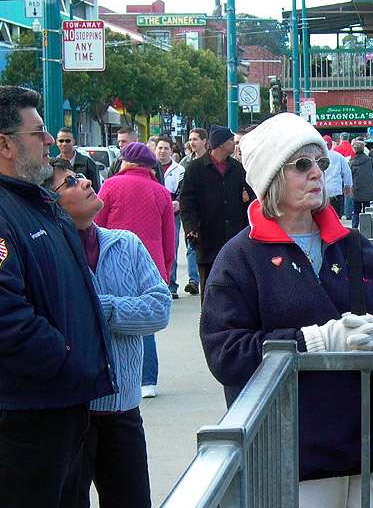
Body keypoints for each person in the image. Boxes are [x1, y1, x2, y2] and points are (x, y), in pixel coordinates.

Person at [200, 112, 373, 508]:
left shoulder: (355, 245)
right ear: (270, 179)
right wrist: (314, 342)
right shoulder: (239, 258)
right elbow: (225, 352)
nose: (318, 172)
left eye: (319, 161)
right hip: (296, 452)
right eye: (301, 164)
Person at [0, 85, 115, 508]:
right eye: (38, 133)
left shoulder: (41, 205)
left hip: (65, 406)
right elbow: (7, 320)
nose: (49, 141)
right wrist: (66, 358)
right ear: (5, 144)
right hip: (27, 414)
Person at [45, 160, 171, 508]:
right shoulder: (47, 252)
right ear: (52, 202)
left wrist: (98, 308)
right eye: (69, 182)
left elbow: (158, 310)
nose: (85, 182)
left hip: (123, 410)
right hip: (72, 413)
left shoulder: (126, 244)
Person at [95, 141, 175, 399]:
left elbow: (96, 224)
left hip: (113, 261)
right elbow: (169, 237)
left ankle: (115, 375)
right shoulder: (161, 192)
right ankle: (147, 380)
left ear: (125, 162)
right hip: (150, 262)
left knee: (113, 316)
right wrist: (165, 270)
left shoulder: (110, 186)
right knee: (145, 323)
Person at [180, 124, 254, 298]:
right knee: (209, 289)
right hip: (208, 239)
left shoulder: (237, 169)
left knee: (237, 288)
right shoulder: (195, 169)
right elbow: (187, 202)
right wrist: (191, 229)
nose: (234, 145)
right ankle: (209, 322)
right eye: (230, 141)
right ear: (220, 144)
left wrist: (247, 198)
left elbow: (250, 199)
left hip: (235, 239)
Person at [155, 135, 195, 299]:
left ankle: (171, 284)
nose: (163, 151)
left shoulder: (179, 170)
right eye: (160, 148)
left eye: (166, 148)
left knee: (171, 246)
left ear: (171, 151)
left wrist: (178, 202)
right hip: (154, 213)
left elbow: (183, 191)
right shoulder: (150, 168)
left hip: (173, 214)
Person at [56, 127, 101, 192]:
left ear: (73, 142)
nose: (64, 144)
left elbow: (96, 188)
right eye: (61, 141)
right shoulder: (55, 165)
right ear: (57, 142)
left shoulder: (87, 163)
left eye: (68, 141)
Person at [349, 139, 373, 229]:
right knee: (368, 211)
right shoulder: (370, 161)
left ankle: (354, 228)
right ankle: (367, 229)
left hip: (356, 191)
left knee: (356, 211)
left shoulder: (351, 163)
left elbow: (348, 178)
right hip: (369, 190)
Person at [322, 134, 352, 217]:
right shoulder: (338, 156)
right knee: (335, 215)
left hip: (321, 190)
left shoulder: (317, 157)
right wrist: (347, 185)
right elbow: (347, 172)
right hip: (335, 189)